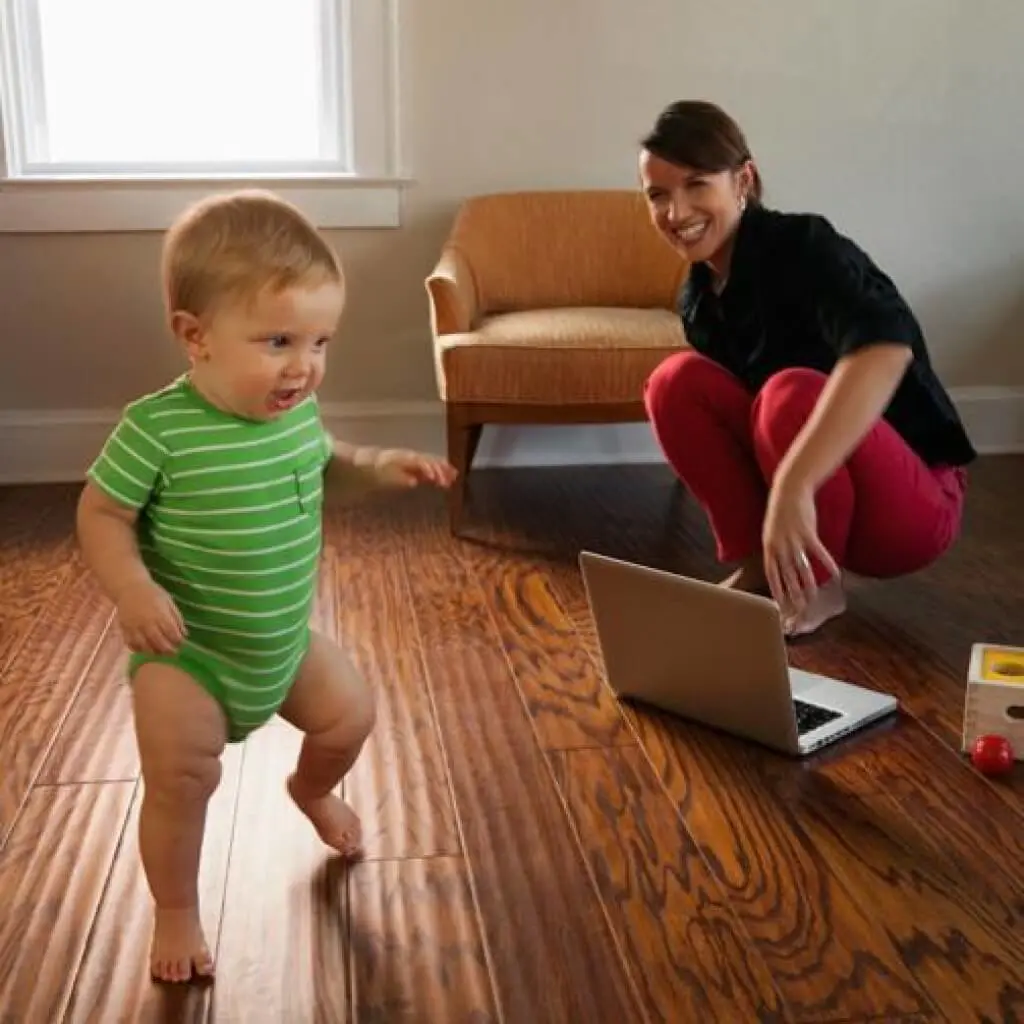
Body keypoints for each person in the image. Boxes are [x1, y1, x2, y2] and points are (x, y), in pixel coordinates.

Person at [75, 190, 456, 984]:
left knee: (351, 716)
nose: (304, 366)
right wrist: (133, 591)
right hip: (190, 655)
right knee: (182, 782)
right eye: (279, 340)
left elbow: (325, 470)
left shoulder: (293, 413)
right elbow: (102, 513)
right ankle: (176, 909)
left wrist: (376, 469)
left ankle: (311, 791)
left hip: (283, 643)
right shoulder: (157, 428)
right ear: (196, 336)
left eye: (320, 341)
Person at [639, 100, 976, 637]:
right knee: (673, 383)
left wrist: (794, 482)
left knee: (790, 392)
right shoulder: (698, 300)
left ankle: (816, 586)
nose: (676, 213)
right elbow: (743, 432)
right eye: (658, 195)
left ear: (743, 181)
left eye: (696, 184)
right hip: (815, 503)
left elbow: (886, 350)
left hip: (912, 504)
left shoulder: (805, 246)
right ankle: (763, 568)